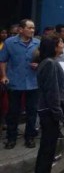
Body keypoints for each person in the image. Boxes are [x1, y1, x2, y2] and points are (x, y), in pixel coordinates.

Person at [0, 19, 40, 149]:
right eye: (29, 28)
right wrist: (4, 75)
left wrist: (38, 65)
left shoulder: (37, 43)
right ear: (20, 30)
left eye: (33, 28)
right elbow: (3, 60)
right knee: (13, 112)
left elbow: (44, 60)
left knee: (32, 112)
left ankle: (30, 137)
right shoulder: (10, 43)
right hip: (15, 82)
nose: (32, 30)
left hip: (33, 83)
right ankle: (11, 138)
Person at [33, 35, 64, 173]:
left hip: (48, 110)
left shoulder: (49, 62)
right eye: (60, 42)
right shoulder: (50, 64)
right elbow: (52, 92)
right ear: (54, 47)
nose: (62, 44)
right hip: (49, 112)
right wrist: (58, 113)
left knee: (48, 150)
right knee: (47, 151)